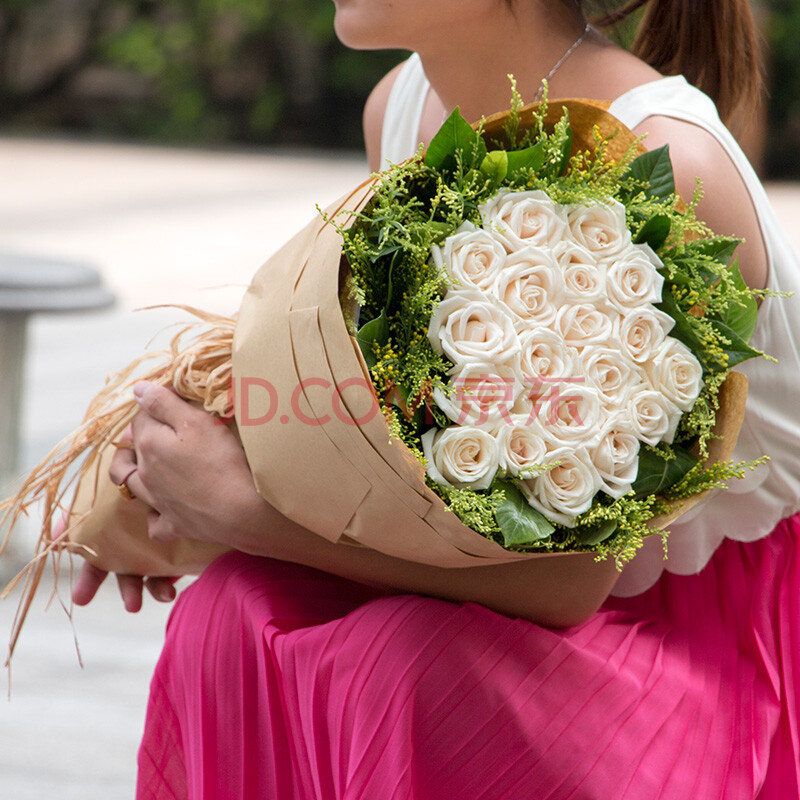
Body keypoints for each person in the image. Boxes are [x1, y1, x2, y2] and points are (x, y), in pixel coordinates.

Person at [74, 0, 800, 796]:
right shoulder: (402, 104)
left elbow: (567, 583)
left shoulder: (668, 158)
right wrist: (164, 478)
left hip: (701, 634)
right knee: (229, 611)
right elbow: (386, 425)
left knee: (405, 666)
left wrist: (246, 513)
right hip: (485, 565)